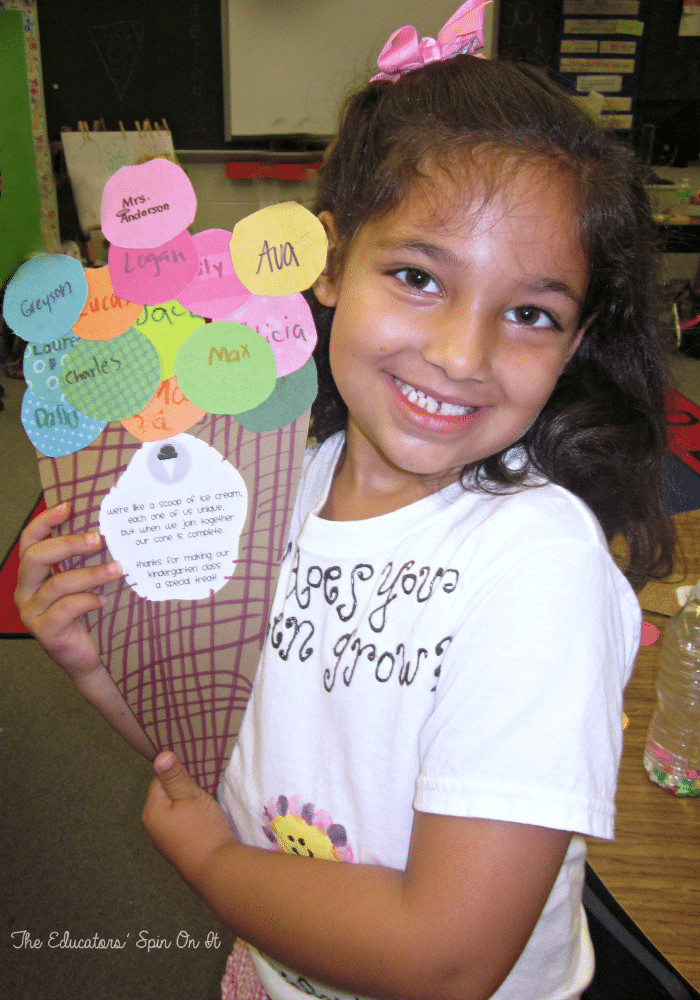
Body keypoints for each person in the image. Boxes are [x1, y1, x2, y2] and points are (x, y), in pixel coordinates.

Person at [15, 3, 676, 998]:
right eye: (417, 276)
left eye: (530, 313)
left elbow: (445, 956)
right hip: (282, 966)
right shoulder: (277, 480)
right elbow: (218, 738)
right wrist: (97, 667)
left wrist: (212, 868)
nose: (460, 354)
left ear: (574, 341)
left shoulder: (536, 572)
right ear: (326, 264)